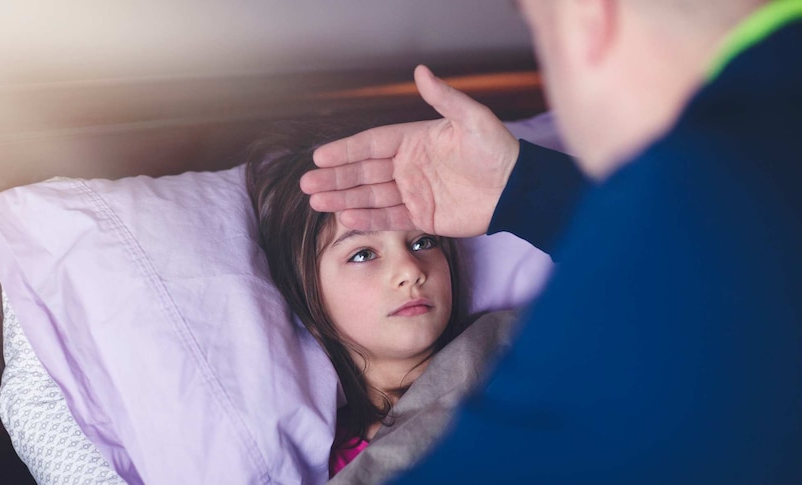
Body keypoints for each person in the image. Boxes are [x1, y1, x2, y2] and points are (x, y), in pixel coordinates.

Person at [300, 0, 802, 482]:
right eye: (363, 253)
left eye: (536, 30)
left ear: (589, 13)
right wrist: (523, 187)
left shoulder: (689, 194)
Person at [244, 123, 474, 478]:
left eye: (422, 242)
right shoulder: (341, 465)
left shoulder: (516, 344)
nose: (410, 270)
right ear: (305, 294)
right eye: (364, 254)